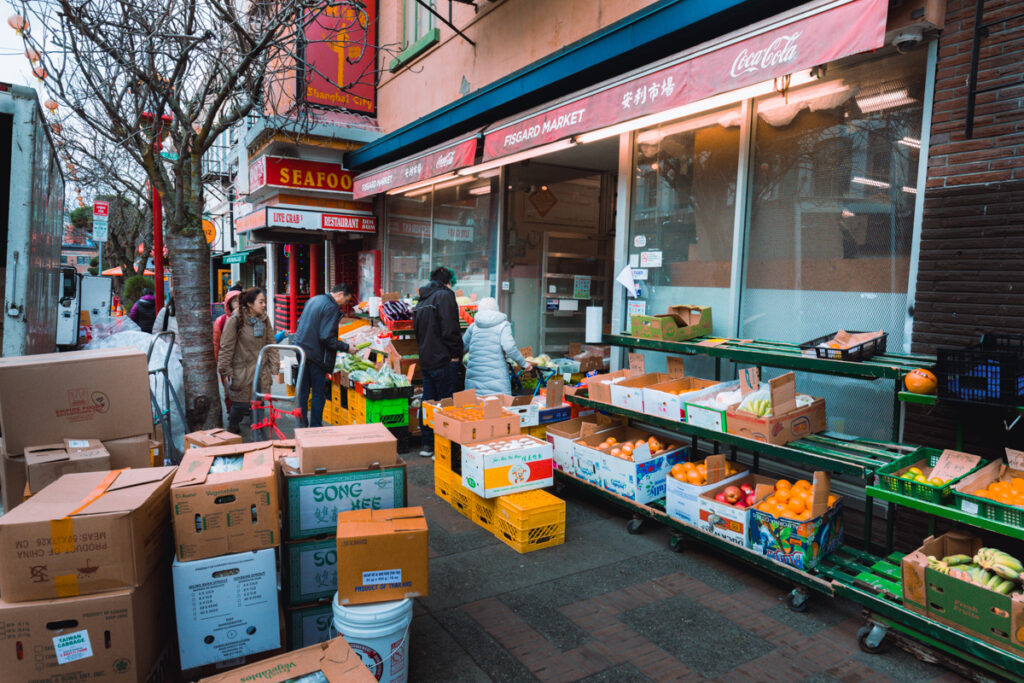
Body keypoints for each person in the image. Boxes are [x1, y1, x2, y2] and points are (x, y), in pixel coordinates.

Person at [413, 266, 464, 457]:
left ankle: (427, 444)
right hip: (444, 359)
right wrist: (455, 353)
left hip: (427, 359)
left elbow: (417, 331)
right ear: (448, 282)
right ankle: (441, 445)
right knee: (445, 403)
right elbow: (450, 328)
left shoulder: (423, 299)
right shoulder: (445, 296)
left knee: (428, 402)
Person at [218, 287, 278, 437]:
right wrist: (226, 370)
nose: (264, 305)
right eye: (261, 302)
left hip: (260, 370)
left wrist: (274, 366)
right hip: (242, 370)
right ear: (250, 304)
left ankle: (258, 435)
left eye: (264, 302)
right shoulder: (236, 319)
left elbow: (271, 342)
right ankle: (232, 428)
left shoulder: (264, 319)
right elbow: (226, 347)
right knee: (240, 404)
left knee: (259, 404)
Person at [293, 283, 354, 428]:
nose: (344, 305)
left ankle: (301, 426)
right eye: (345, 301)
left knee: (303, 391)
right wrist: (346, 347)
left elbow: (300, 322)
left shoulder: (315, 299)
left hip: (301, 350)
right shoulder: (331, 307)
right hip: (316, 355)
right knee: (318, 394)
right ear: (339, 294)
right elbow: (326, 336)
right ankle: (315, 427)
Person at [463, 298, 531, 396]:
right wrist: (524, 364)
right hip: (497, 381)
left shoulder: (474, 326)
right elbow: (510, 348)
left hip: (474, 381)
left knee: (476, 409)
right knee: (498, 408)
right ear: (497, 309)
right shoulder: (503, 325)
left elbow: (461, 347)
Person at [213, 289, 242, 411]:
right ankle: (232, 412)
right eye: (235, 301)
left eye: (240, 301)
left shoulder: (250, 320)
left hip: (245, 362)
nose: (238, 304)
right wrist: (219, 365)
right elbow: (216, 344)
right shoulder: (221, 321)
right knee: (229, 390)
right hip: (228, 362)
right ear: (229, 304)